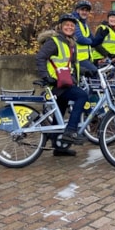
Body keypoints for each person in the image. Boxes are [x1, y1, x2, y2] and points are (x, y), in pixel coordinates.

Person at [36, 13, 90, 156]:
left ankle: (58, 147)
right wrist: (46, 77)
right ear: (60, 26)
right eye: (66, 25)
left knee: (59, 113)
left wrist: (86, 71)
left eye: (72, 26)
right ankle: (71, 131)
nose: (69, 27)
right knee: (81, 96)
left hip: (64, 82)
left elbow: (69, 65)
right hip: (57, 84)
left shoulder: (69, 43)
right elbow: (40, 57)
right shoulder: (55, 41)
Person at [72, 0, 109, 76]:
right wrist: (91, 41)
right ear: (77, 10)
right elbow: (79, 39)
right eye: (82, 10)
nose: (85, 12)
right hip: (78, 59)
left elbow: (93, 42)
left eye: (87, 10)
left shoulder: (84, 24)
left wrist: (101, 36)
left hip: (86, 59)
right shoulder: (74, 22)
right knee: (96, 74)